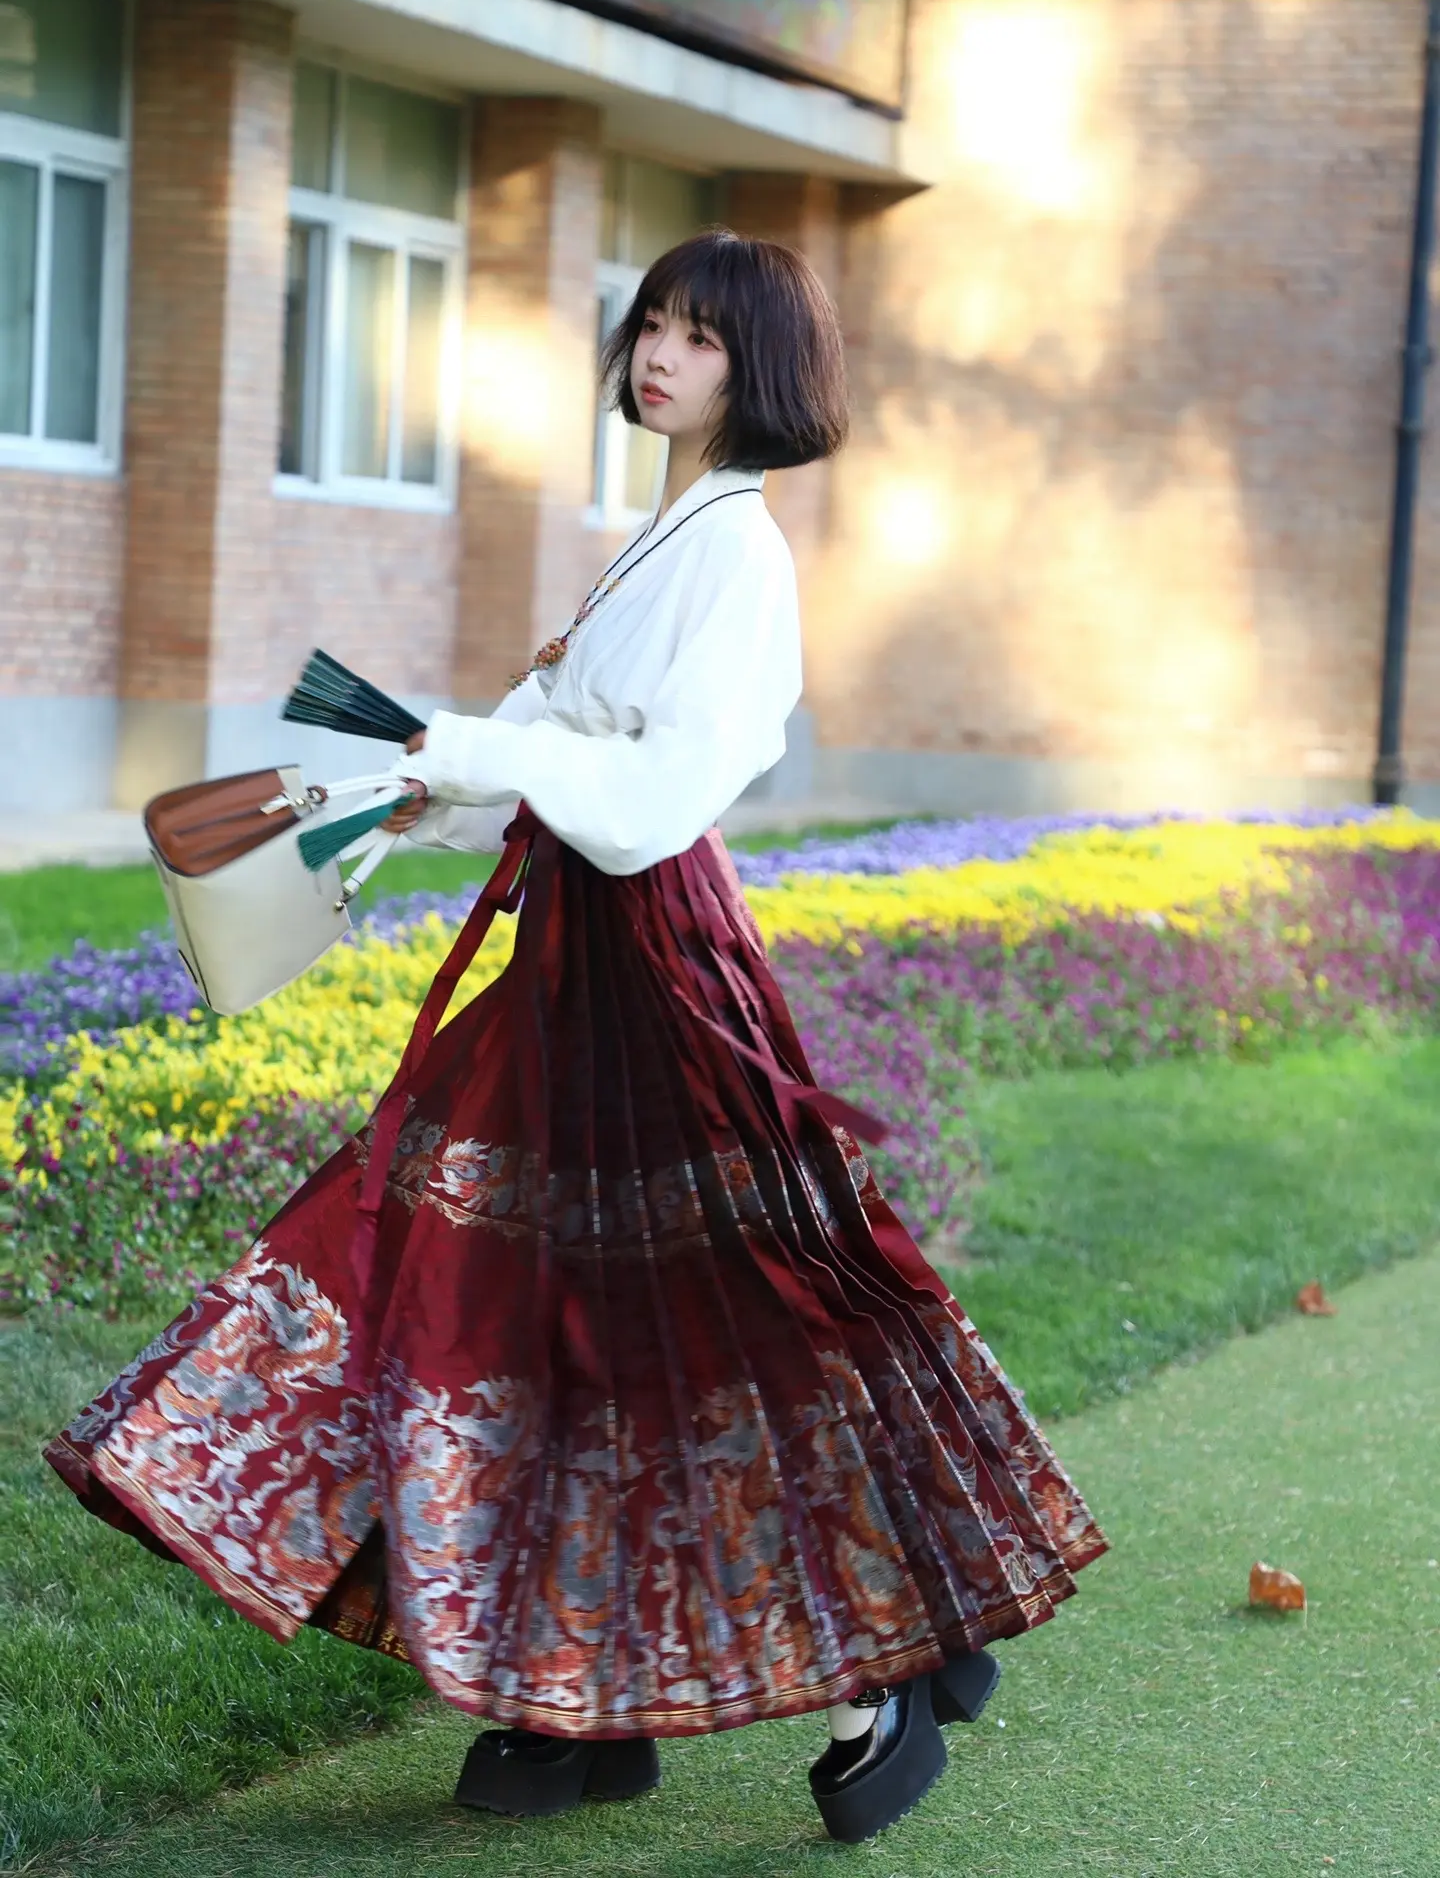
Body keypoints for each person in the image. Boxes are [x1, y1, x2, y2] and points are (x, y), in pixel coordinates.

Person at [43, 229, 1105, 1845]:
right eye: (653, 323)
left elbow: (652, 799)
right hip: (570, 966)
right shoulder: (658, 539)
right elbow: (551, 752)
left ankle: (884, 1664)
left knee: (723, 1315)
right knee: (513, 1295)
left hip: (658, 972)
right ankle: (574, 1703)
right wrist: (418, 784)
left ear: (764, 368)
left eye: (701, 335)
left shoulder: (740, 559)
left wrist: (479, 748)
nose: (660, 353)